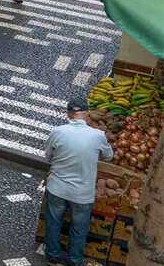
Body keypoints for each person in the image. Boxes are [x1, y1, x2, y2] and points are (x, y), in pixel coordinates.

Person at [44, 99, 112, 266]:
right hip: (82, 193)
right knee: (79, 229)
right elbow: (109, 156)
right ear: (87, 114)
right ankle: (75, 260)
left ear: (68, 114)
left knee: (53, 222)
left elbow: (48, 156)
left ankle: (53, 255)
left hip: (57, 188)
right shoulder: (98, 135)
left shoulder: (57, 131)